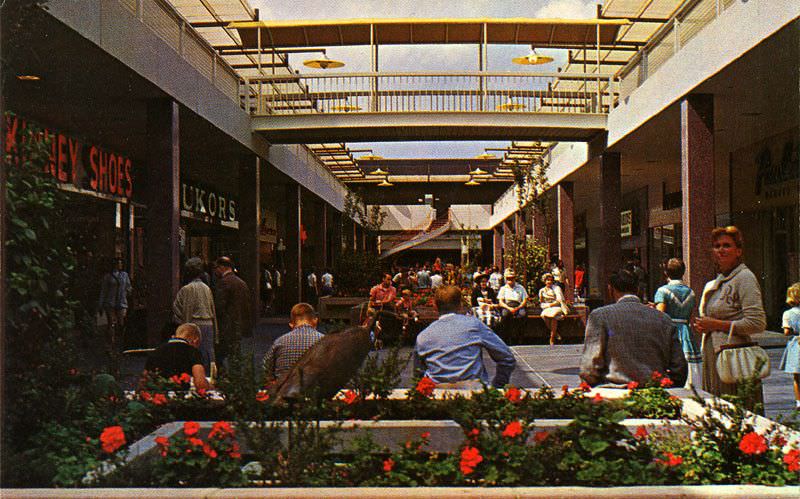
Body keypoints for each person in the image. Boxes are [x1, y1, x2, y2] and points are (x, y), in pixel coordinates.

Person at [694, 226, 767, 407]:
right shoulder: (719, 280)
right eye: (717, 246)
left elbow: (757, 322)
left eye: (726, 245)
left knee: (736, 410)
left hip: (735, 360)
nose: (720, 250)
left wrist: (716, 324)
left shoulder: (745, 278)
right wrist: (705, 326)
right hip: (714, 355)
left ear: (738, 251)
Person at [580, 268, 687, 387]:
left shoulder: (599, 316)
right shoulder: (664, 319)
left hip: (613, 391)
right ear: (638, 289)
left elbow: (589, 367)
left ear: (610, 289)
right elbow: (679, 368)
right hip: (655, 392)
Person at [414, 285, 516, 388]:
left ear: (435, 306)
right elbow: (507, 358)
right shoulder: (474, 326)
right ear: (460, 305)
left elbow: (418, 376)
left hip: (437, 397)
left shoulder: (423, 336)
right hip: (475, 395)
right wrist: (497, 387)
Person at [654, 258, 701, 388]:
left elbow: (660, 316)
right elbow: (691, 315)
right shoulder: (690, 292)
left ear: (666, 272)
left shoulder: (662, 291)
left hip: (670, 332)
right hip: (686, 333)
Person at [173, 257, 218, 373]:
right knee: (207, 356)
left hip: (193, 324)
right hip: (208, 325)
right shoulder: (206, 288)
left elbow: (181, 310)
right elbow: (213, 311)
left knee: (193, 356)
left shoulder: (187, 289)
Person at [263, 303, 324, 383]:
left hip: (284, 392)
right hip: (316, 392)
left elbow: (266, 370)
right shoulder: (325, 341)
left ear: (291, 324)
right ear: (315, 321)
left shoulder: (279, 342)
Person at [144, 323, 211, 391]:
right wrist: (211, 386)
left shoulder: (156, 351)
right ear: (195, 340)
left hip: (159, 396)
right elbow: (200, 384)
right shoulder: (193, 351)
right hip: (180, 397)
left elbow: (144, 381)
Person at [213, 256, 253, 367]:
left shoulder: (224, 283)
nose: (215, 271)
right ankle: (235, 378)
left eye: (216, 267)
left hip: (226, 326)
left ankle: (223, 379)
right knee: (235, 356)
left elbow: (219, 307)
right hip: (239, 325)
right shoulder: (242, 283)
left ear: (222, 267)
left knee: (220, 356)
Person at [98, 257, 132, 354]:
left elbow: (129, 287)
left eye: (120, 263)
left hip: (122, 302)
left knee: (121, 323)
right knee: (111, 323)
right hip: (111, 303)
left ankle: (120, 341)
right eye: (118, 263)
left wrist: (128, 292)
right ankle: (111, 343)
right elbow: (103, 291)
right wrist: (101, 304)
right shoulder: (108, 277)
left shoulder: (125, 276)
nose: (119, 265)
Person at [779, 282, 800, 409]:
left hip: (796, 344)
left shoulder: (788, 314)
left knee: (797, 377)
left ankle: (799, 401)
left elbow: (786, 332)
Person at [497, 269, 528, 343]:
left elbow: (525, 300)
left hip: (518, 305)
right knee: (504, 315)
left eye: (512, 278)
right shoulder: (503, 289)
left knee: (522, 314)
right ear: (506, 279)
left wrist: (518, 308)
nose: (510, 280)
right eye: (508, 278)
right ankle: (507, 337)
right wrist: (509, 308)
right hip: (507, 306)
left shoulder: (520, 287)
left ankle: (520, 337)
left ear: (515, 278)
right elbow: (500, 302)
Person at [539, 273, 567, 346]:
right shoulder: (542, 290)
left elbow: (559, 300)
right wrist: (546, 305)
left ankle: (552, 338)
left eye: (551, 280)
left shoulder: (556, 288)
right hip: (547, 307)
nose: (549, 282)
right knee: (544, 315)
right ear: (544, 281)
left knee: (553, 316)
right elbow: (541, 301)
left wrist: (551, 304)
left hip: (556, 306)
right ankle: (555, 333)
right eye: (547, 280)